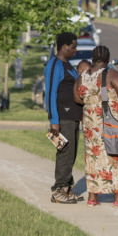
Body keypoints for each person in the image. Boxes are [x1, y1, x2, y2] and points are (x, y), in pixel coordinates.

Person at [74, 45, 118, 207]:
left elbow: (77, 98)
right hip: (112, 123)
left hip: (91, 125)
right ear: (108, 59)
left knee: (93, 158)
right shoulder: (112, 74)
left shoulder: (83, 76)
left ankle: (93, 197)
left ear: (93, 59)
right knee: (117, 157)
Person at [44, 31, 84, 204]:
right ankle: (58, 190)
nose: (75, 50)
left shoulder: (68, 65)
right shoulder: (55, 65)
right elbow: (50, 93)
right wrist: (54, 121)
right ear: (64, 46)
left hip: (73, 117)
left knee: (71, 153)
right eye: (73, 47)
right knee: (64, 153)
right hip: (62, 118)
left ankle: (67, 188)